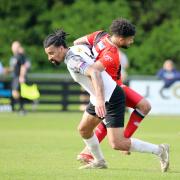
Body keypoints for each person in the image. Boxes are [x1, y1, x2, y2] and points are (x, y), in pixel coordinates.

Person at [43, 29, 169, 172]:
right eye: (48, 54)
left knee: (117, 143)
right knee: (84, 130)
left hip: (111, 97)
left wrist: (101, 101)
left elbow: (94, 72)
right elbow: (87, 46)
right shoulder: (78, 47)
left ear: (61, 48)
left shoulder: (72, 60)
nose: (50, 58)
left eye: (51, 53)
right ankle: (99, 161)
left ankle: (160, 150)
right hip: (98, 95)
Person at [74, 18, 152, 160]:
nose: (131, 42)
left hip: (111, 88)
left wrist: (88, 56)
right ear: (121, 38)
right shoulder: (111, 54)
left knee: (108, 119)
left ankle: (88, 152)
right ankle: (124, 142)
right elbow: (94, 70)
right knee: (144, 106)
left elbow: (77, 43)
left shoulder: (100, 35)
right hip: (113, 89)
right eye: (130, 39)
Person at [9, 41, 29, 114]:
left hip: (18, 77)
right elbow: (13, 68)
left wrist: (21, 76)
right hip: (14, 77)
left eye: (16, 46)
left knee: (15, 93)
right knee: (16, 93)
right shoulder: (13, 57)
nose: (14, 48)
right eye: (14, 46)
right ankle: (22, 108)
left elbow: (23, 66)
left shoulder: (20, 56)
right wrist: (7, 70)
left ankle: (22, 108)